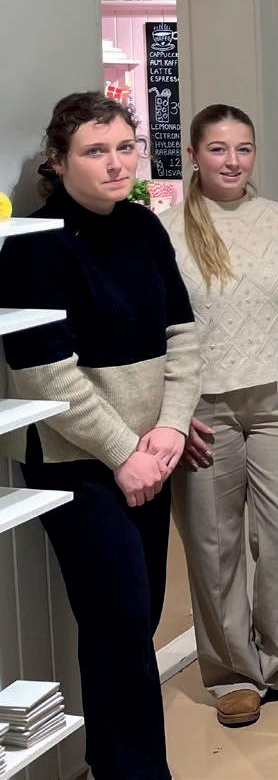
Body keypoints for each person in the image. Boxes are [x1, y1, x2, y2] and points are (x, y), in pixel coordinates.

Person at [0, 91, 201, 778]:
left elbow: (184, 336)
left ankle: (112, 762)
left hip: (150, 452)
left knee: (137, 619)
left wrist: (170, 428)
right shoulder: (31, 243)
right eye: (94, 151)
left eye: (124, 147)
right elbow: (44, 374)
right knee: (120, 622)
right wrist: (124, 453)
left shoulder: (144, 226)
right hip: (74, 462)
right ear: (58, 162)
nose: (116, 164)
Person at [158, 104, 278, 727]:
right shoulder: (166, 230)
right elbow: (154, 329)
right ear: (193, 154)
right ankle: (232, 674)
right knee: (213, 545)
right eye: (218, 149)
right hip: (201, 411)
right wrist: (170, 415)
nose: (232, 161)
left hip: (277, 405)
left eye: (244, 148)